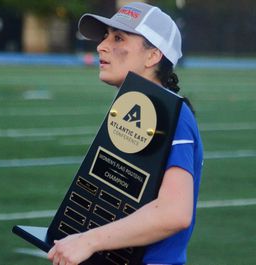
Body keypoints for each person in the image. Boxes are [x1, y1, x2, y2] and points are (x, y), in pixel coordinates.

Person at [48, 2, 203, 265]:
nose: (101, 46)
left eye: (118, 38)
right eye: (105, 36)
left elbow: (175, 213)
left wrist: (88, 240)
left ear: (153, 56)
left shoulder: (172, 117)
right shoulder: (137, 106)